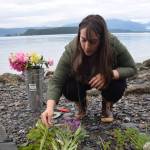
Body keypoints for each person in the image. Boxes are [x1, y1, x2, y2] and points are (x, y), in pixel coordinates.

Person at [41, 14, 137, 127]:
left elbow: (132, 68)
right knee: (68, 86)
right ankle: (81, 104)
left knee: (118, 83)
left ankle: (107, 104)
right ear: (79, 36)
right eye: (83, 40)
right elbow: (57, 80)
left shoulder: (112, 43)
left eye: (93, 41)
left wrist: (110, 74)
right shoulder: (72, 49)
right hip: (81, 80)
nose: (86, 47)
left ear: (102, 40)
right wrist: (49, 108)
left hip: (106, 81)